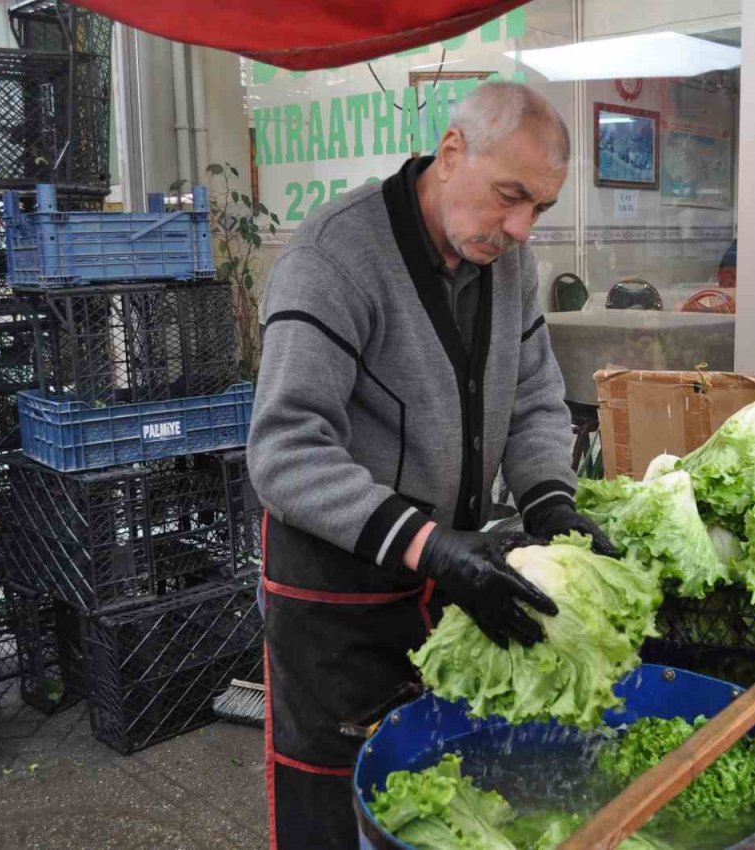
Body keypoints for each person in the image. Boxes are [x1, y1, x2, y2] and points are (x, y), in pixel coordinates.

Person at [246, 81, 617, 848]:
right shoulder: (333, 258)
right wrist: (433, 547)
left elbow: (534, 400)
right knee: (341, 799)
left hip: (449, 573)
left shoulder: (508, 263)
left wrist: (551, 503)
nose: (521, 228)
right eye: (510, 196)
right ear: (451, 153)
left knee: (439, 795)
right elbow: (284, 451)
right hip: (339, 589)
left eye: (540, 207)